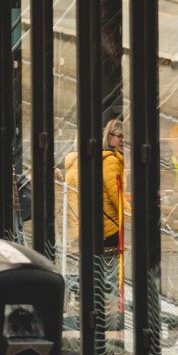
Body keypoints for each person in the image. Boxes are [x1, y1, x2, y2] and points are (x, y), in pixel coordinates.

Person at [64, 117, 126, 327]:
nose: (123, 140)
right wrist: (133, 214)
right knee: (109, 275)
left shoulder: (75, 164)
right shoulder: (110, 161)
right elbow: (116, 197)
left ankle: (92, 313)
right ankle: (107, 321)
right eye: (119, 136)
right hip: (108, 228)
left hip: (85, 227)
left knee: (96, 272)